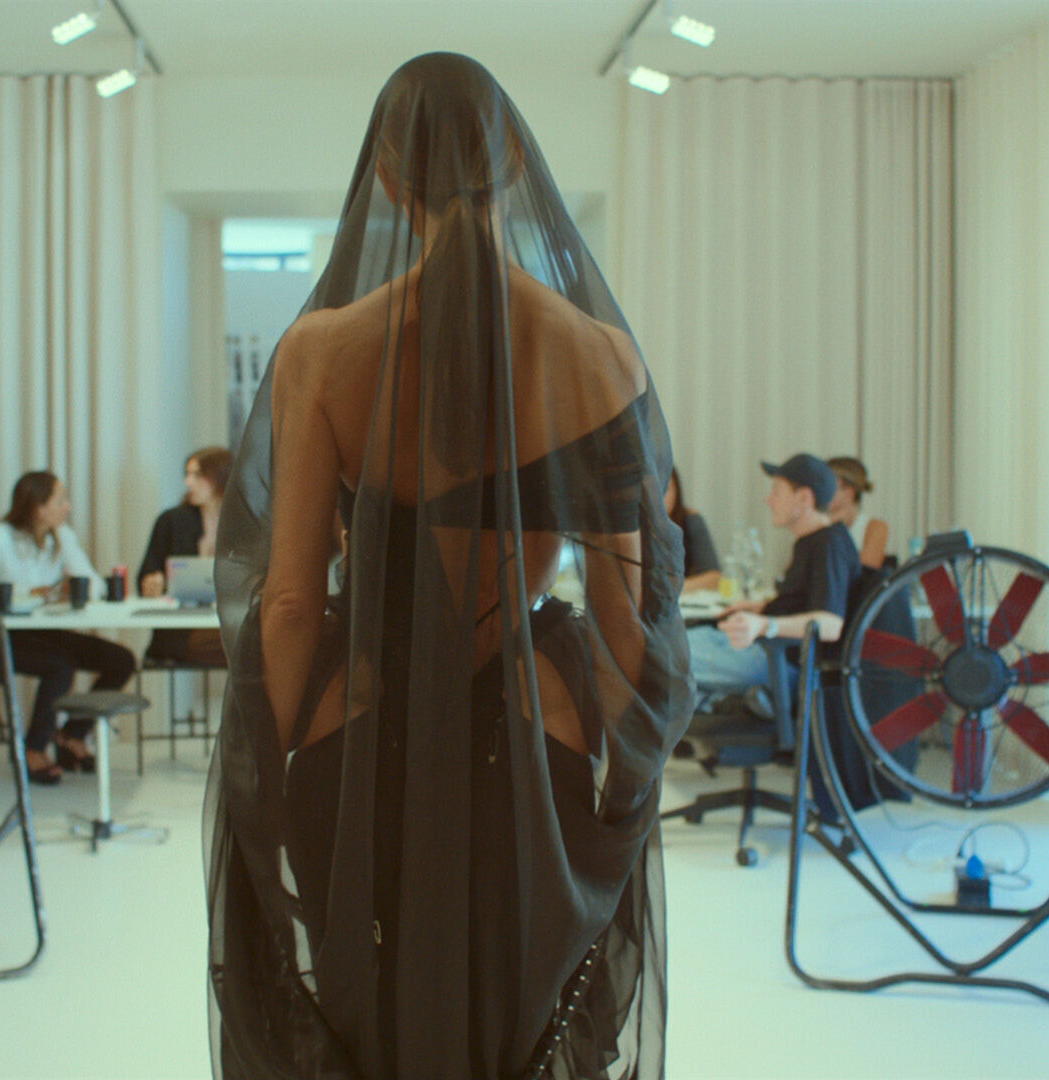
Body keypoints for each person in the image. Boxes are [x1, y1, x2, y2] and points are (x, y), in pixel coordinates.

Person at [206, 53, 692, 1080]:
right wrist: (609, 791)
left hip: (362, 722)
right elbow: (622, 618)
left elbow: (290, 600)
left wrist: (277, 768)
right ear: (517, 164)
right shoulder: (598, 355)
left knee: (370, 1018)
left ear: (385, 181)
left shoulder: (324, 351)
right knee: (520, 1015)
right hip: (531, 722)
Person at [0, 471, 135, 784]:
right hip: (5, 638)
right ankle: (33, 748)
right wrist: (23, 593)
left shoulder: (62, 537)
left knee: (121, 660)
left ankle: (71, 735)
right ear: (38, 508)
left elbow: (92, 583)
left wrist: (71, 588)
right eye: (60, 501)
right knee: (60, 666)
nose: (67, 507)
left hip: (50, 632)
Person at [687, 454, 860, 711]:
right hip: (766, 651)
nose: (768, 500)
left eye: (777, 492)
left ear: (804, 498)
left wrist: (764, 624)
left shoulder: (829, 545)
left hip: (778, 661)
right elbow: (806, 602)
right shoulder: (814, 542)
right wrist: (762, 607)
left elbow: (830, 624)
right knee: (664, 640)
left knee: (654, 654)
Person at [137, 446, 231, 666]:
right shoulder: (171, 521)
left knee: (250, 642)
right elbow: (145, 576)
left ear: (221, 477)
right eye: (187, 475)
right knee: (248, 646)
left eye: (197, 475)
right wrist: (153, 582)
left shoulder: (242, 524)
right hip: (178, 629)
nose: (188, 482)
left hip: (224, 623)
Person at [826, 455, 889, 569]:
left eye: (827, 485)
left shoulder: (876, 526)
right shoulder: (818, 524)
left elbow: (866, 570)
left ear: (849, 491)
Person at [665, 466, 720, 592]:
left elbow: (713, 577)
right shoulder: (631, 528)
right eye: (654, 490)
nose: (660, 497)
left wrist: (668, 589)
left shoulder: (690, 520)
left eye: (666, 489)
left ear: (677, 492)